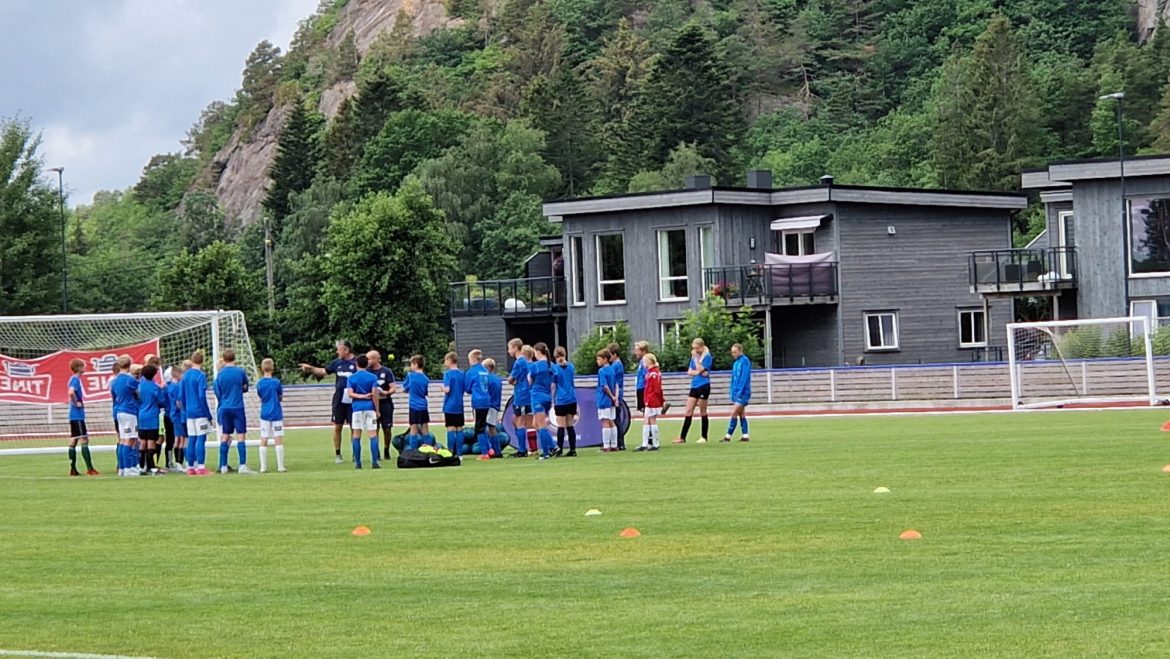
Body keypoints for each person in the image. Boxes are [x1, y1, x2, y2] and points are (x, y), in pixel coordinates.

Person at [299, 340, 358, 463]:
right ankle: (338, 454)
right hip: (339, 399)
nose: (337, 352)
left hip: (353, 398)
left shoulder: (357, 362)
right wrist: (311, 368)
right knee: (337, 426)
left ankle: (355, 453)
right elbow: (322, 372)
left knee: (354, 426)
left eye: (339, 349)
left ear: (346, 350)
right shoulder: (336, 363)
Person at [214, 350, 253, 475]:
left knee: (225, 435)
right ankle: (242, 465)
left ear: (224, 359)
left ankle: (223, 466)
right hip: (237, 406)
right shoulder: (240, 372)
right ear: (234, 358)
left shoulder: (220, 374)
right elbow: (245, 386)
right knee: (241, 435)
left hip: (225, 407)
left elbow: (218, 391)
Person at [674, 338, 713, 444]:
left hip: (703, 385)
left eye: (697, 348)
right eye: (694, 348)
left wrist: (696, 361)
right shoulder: (694, 357)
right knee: (688, 410)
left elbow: (702, 369)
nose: (695, 350)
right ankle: (682, 437)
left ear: (701, 347)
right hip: (694, 385)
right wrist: (698, 372)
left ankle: (704, 436)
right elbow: (690, 371)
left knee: (702, 411)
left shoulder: (707, 357)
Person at [180, 351, 213, 476]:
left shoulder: (186, 375)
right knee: (201, 438)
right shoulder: (201, 375)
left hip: (189, 412)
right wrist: (208, 414)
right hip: (199, 412)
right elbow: (201, 396)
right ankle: (201, 467)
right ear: (202, 361)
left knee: (191, 439)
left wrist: (185, 409)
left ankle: (190, 467)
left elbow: (182, 395)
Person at [347, 354, 381, 469]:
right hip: (370, 408)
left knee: (356, 435)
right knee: (373, 434)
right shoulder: (372, 377)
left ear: (356, 364)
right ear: (367, 364)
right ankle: (375, 461)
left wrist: (361, 396)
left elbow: (350, 394)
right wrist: (377, 410)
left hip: (357, 408)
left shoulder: (351, 378)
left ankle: (358, 462)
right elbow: (374, 394)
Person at [66, 358, 98, 476]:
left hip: (74, 415)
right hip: (77, 415)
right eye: (83, 366)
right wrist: (76, 402)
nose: (85, 368)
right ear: (79, 368)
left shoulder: (73, 379)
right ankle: (89, 469)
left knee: (74, 440)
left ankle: (73, 469)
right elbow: (71, 392)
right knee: (83, 439)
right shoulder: (75, 379)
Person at [110, 355, 140, 477]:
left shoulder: (114, 381)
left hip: (119, 411)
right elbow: (139, 392)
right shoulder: (129, 379)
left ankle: (122, 468)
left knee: (122, 440)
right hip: (129, 411)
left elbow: (114, 396)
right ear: (129, 365)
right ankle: (128, 468)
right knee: (130, 439)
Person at [256, 358, 286, 473]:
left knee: (264, 438)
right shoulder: (276, 382)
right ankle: (280, 466)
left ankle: (263, 467)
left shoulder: (260, 383)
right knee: (278, 438)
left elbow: (260, 396)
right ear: (273, 368)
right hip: (276, 413)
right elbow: (280, 396)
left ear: (262, 368)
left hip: (264, 413)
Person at [528, 343, 557, 460]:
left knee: (541, 426)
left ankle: (546, 453)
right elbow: (553, 383)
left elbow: (530, 380)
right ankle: (552, 446)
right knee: (535, 424)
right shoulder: (552, 366)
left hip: (537, 396)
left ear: (538, 352)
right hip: (547, 397)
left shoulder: (535, 366)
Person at [137, 364, 167, 475]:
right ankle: (152, 467)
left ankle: (141, 466)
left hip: (141, 415)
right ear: (154, 374)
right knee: (151, 442)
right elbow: (162, 401)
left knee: (142, 441)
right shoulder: (155, 388)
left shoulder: (140, 385)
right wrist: (162, 390)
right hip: (152, 417)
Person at [367, 350, 397, 461]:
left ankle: (386, 449)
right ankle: (376, 452)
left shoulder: (386, 371)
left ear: (375, 359)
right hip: (372, 404)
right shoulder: (366, 372)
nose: (367, 361)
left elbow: (393, 388)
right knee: (374, 428)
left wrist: (386, 392)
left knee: (387, 428)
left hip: (385, 404)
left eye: (369, 359)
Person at [507, 338, 532, 457]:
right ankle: (523, 448)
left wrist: (513, 381)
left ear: (515, 348)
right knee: (516, 420)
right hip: (524, 394)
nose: (508, 351)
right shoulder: (526, 362)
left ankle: (522, 450)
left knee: (520, 421)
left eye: (509, 348)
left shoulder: (519, 362)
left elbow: (510, 379)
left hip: (522, 395)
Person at [722, 343, 752, 443]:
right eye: (732, 352)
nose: (733, 354)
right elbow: (733, 379)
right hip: (737, 392)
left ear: (740, 351)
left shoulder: (745, 361)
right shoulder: (736, 363)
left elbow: (744, 377)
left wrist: (740, 391)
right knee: (741, 414)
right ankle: (745, 435)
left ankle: (728, 436)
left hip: (743, 392)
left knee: (734, 412)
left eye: (735, 352)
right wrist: (732, 392)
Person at [466, 350, 492, 459]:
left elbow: (467, 388)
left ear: (472, 359)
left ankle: (484, 453)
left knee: (479, 428)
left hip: (478, 402)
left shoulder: (471, 372)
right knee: (483, 425)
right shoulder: (485, 370)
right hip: (487, 400)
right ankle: (489, 449)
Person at [552, 346, 578, 457]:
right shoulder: (571, 367)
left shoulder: (555, 369)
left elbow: (553, 386)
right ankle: (573, 449)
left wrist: (552, 400)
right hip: (571, 398)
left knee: (561, 425)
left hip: (561, 399)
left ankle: (560, 449)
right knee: (570, 425)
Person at [403, 355, 431, 450]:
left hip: (414, 405)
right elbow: (425, 392)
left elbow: (405, 388)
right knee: (425, 428)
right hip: (423, 405)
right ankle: (428, 449)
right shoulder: (426, 378)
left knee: (413, 428)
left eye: (411, 364)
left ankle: (413, 451)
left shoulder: (410, 376)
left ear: (415, 364)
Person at [637, 353, 664, 452]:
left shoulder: (653, 374)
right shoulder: (652, 373)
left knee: (650, 420)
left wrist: (649, 400)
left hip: (651, 400)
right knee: (649, 420)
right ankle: (649, 443)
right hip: (651, 399)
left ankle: (651, 443)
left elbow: (656, 389)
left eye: (644, 361)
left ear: (649, 361)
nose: (643, 363)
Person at [441, 352, 466, 457]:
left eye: (445, 360)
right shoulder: (462, 374)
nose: (445, 363)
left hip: (450, 405)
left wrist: (442, 388)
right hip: (459, 405)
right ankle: (459, 453)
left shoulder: (447, 374)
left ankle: (450, 451)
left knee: (450, 428)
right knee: (459, 428)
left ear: (449, 360)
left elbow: (447, 389)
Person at [596, 350, 618, 452]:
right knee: (611, 421)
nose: (597, 361)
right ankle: (614, 444)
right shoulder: (612, 369)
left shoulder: (602, 371)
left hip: (604, 399)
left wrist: (611, 396)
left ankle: (606, 445)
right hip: (611, 401)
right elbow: (616, 385)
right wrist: (615, 397)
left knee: (605, 421)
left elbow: (604, 386)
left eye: (599, 359)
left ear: (605, 359)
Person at [166, 364, 186, 471]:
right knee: (181, 438)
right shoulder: (177, 386)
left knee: (177, 438)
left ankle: (176, 461)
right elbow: (178, 402)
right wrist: (183, 409)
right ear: (177, 374)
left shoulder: (169, 386)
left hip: (173, 414)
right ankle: (179, 462)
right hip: (178, 414)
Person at [482, 358, 503, 459]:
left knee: (487, 428)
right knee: (492, 427)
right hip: (495, 405)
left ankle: (492, 450)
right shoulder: (497, 379)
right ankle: (497, 450)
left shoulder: (487, 379)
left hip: (488, 405)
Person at [607, 342, 627, 450]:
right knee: (616, 418)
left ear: (614, 354)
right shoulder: (618, 364)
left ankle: (620, 442)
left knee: (616, 419)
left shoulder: (616, 365)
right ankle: (618, 442)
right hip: (618, 392)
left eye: (609, 355)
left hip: (616, 393)